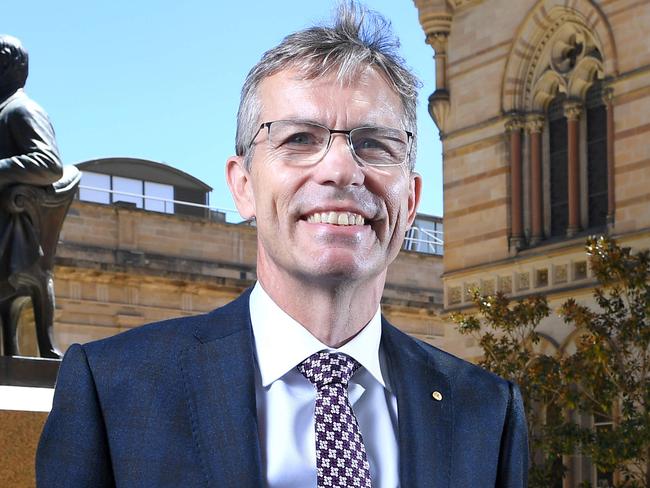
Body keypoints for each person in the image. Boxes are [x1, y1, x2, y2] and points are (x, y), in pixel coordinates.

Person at [36, 3, 528, 487]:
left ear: (412, 198)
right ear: (243, 185)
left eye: (375, 144)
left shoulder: (486, 411)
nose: (340, 168)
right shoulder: (112, 389)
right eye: (298, 139)